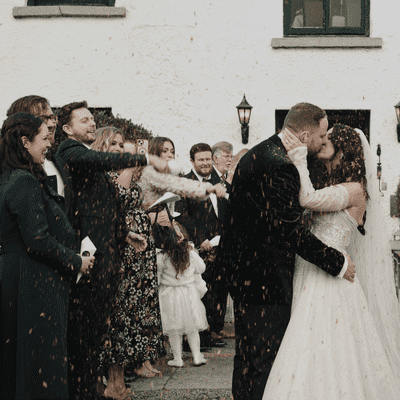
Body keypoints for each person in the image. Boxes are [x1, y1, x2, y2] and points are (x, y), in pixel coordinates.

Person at [215, 103, 356, 400]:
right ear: (304, 136)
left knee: (247, 357)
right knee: (264, 361)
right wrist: (337, 262)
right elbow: (290, 231)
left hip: (245, 275)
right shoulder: (281, 165)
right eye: (321, 135)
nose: (323, 140)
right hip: (266, 281)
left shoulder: (260, 152)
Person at [262, 124, 400, 399]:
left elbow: (308, 198)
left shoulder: (355, 190)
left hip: (333, 278)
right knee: (308, 343)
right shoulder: (329, 183)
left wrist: (298, 157)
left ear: (344, 148)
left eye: (329, 137)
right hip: (312, 269)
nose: (323, 140)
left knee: (329, 343)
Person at [55, 101, 168, 399]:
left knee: (94, 331)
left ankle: (93, 386)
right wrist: (143, 156)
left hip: (105, 250)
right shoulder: (70, 151)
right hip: (88, 254)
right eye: (83, 120)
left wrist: (124, 234)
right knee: (85, 333)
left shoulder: (88, 157)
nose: (92, 123)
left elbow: (102, 207)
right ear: (67, 129)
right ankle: (86, 389)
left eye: (92, 119)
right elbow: (88, 206)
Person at [0, 112, 94, 400]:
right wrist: (77, 261)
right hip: (32, 281)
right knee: (39, 363)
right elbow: (37, 240)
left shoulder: (9, 177)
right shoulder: (23, 181)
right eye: (44, 138)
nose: (49, 145)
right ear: (25, 142)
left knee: (18, 361)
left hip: (18, 277)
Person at [89, 127, 162, 399]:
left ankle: (123, 375)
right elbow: (119, 197)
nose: (120, 149)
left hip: (138, 254)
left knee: (133, 316)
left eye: (122, 145)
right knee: (118, 317)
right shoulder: (102, 174)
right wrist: (131, 164)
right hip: (120, 253)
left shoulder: (117, 172)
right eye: (114, 144)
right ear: (101, 146)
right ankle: (114, 382)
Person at [175, 143, 230, 349]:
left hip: (221, 244)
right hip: (199, 246)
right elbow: (182, 215)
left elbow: (226, 212)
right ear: (192, 161)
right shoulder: (185, 183)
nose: (206, 163)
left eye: (208, 159)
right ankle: (202, 333)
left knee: (220, 287)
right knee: (202, 289)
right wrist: (200, 239)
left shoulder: (219, 182)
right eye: (201, 160)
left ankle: (216, 328)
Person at [6, 95, 73, 220]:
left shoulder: (60, 162)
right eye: (43, 119)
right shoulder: (12, 173)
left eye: (52, 118)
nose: (52, 124)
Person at [157, 224, 208, 368]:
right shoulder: (190, 253)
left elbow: (157, 277)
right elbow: (201, 268)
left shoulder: (162, 256)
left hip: (170, 294)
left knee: (174, 328)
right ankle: (197, 356)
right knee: (192, 327)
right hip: (189, 292)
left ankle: (178, 359)